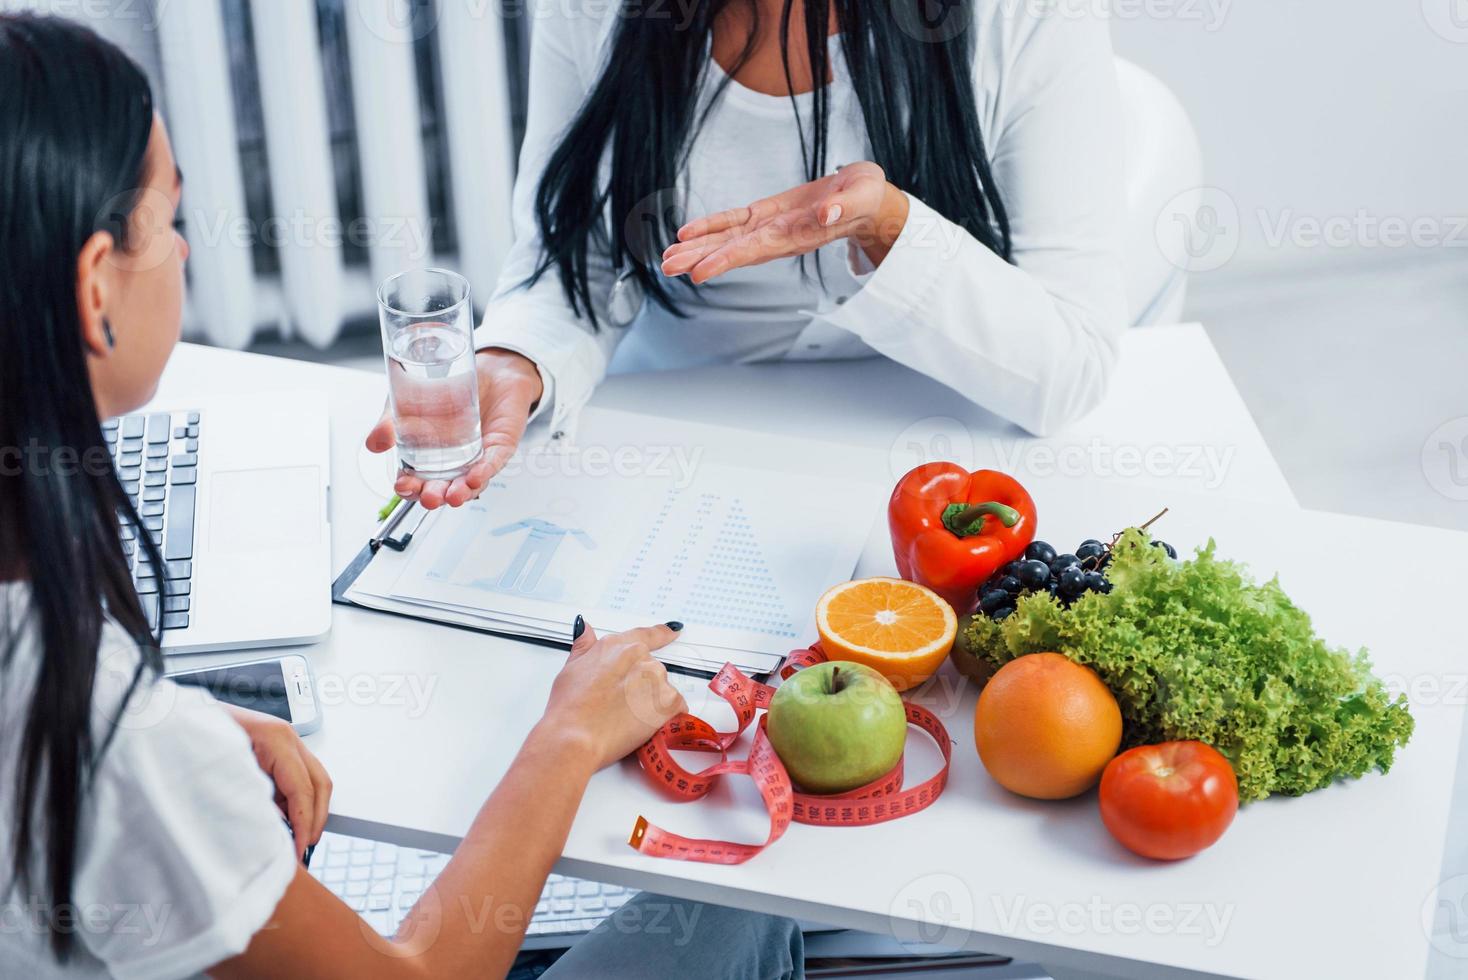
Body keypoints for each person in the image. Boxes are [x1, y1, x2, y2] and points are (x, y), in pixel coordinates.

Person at [0, 15, 803, 980]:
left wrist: (184, 724)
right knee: (735, 918)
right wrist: (568, 735)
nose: (183, 251)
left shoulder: (92, 703)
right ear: (95, 289)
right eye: (169, 221)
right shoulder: (113, 743)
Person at [367, 0, 1128, 510]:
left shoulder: (1030, 16)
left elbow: (1070, 368)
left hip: (930, 441)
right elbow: (576, 256)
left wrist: (889, 230)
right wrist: (517, 356)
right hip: (681, 436)